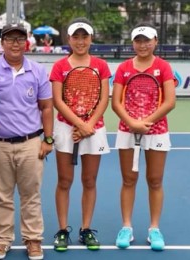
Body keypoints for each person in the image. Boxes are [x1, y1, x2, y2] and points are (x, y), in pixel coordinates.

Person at [0, 23, 53, 260]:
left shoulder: (37, 71)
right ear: (1, 42)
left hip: (30, 143)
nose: (15, 43)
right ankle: (2, 240)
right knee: (1, 196)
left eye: (19, 39)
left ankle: (33, 239)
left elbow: (46, 107)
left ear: (26, 42)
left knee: (30, 195)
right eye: (9, 39)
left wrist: (48, 139)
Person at [111, 23, 176, 251]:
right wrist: (132, 123)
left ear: (155, 41)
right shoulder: (124, 68)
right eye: (138, 41)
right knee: (129, 180)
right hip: (127, 130)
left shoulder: (164, 67)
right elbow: (116, 102)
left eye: (147, 40)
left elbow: (170, 101)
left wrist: (147, 123)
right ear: (133, 43)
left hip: (156, 131)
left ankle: (154, 229)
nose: (143, 45)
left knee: (155, 180)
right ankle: (126, 227)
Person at [49, 17, 111, 252]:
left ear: (91, 38)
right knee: (65, 181)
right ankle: (63, 230)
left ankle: (86, 229)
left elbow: (104, 98)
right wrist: (77, 123)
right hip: (66, 128)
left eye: (85, 36)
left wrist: (88, 125)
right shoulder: (60, 66)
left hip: (93, 128)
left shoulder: (101, 65)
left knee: (89, 181)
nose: (80, 41)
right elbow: (57, 100)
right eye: (76, 36)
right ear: (69, 39)